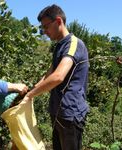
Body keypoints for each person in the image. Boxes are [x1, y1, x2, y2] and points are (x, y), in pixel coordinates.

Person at [23, 4, 89, 150]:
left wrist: (31, 95)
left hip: (70, 114)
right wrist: (29, 93)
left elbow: (58, 76)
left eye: (46, 27)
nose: (44, 32)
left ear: (58, 21)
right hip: (58, 112)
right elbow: (49, 75)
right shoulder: (59, 46)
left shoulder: (73, 44)